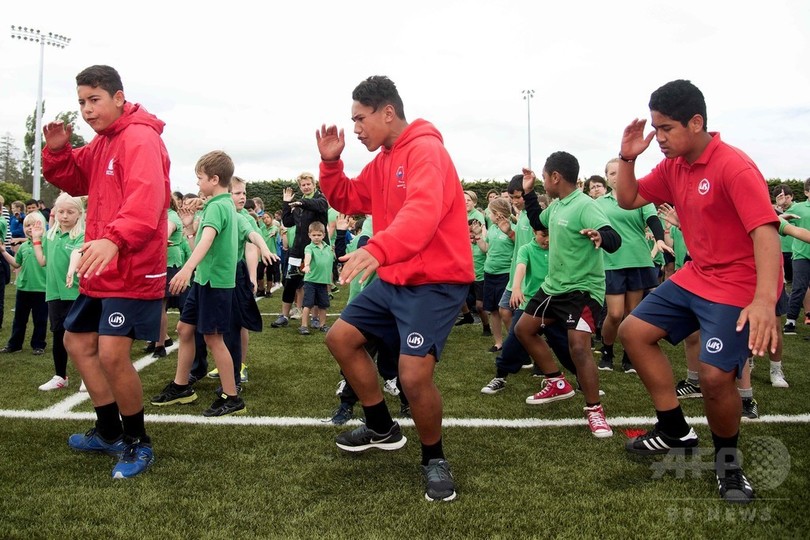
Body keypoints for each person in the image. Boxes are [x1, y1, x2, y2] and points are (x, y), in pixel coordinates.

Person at [616, 79, 782, 504]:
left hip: (737, 283)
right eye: (655, 128)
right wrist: (627, 158)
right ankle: (674, 429)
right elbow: (628, 198)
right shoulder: (674, 166)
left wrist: (764, 301)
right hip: (697, 275)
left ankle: (729, 465)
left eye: (666, 129)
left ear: (696, 122)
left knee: (712, 376)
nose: (660, 139)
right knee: (632, 332)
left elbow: (766, 233)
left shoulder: (733, 166)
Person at [315, 75, 473, 502]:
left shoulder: (426, 150)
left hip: (435, 283)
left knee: (413, 375)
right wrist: (331, 165)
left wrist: (380, 248)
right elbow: (349, 198)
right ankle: (382, 428)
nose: (356, 129)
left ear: (388, 112)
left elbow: (422, 211)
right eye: (353, 120)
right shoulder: (383, 159)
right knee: (341, 338)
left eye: (361, 119)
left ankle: (434, 458)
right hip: (396, 277)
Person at [41, 64, 170, 479]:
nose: (86, 110)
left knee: (113, 353)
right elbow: (71, 175)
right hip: (102, 267)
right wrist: (59, 151)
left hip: (131, 267)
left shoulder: (140, 138)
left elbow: (147, 201)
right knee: (77, 342)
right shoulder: (102, 143)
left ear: (118, 97)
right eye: (81, 102)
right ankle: (109, 430)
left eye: (94, 100)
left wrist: (114, 238)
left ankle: (138, 443)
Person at [514, 154, 621, 438]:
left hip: (583, 290)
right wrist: (528, 191)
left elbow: (613, 237)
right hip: (554, 287)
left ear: (556, 177)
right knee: (524, 330)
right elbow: (538, 221)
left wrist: (600, 237)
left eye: (545, 177)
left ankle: (595, 411)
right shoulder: (559, 205)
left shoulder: (584, 205)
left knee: (578, 346)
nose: (544, 182)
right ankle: (557, 382)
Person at [151, 150, 243, 417]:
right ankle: (182, 386)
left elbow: (208, 241)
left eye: (200, 178)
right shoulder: (220, 204)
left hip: (214, 283)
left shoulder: (217, 206)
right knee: (184, 329)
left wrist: (186, 270)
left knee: (214, 339)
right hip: (206, 280)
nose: (197, 184)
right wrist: (189, 227)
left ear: (214, 179)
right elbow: (200, 241)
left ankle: (232, 396)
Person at [595, 158, 670, 372]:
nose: (617, 176)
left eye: (621, 171)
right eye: (612, 173)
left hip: (637, 260)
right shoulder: (599, 203)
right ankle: (607, 350)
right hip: (611, 262)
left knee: (632, 313)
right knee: (615, 313)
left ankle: (629, 355)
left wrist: (660, 239)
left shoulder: (640, 198)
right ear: (607, 179)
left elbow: (654, 221)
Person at [30, 193, 85, 390]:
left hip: (77, 293)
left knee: (80, 337)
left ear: (79, 214)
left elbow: (76, 254)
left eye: (70, 212)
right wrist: (37, 240)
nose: (65, 216)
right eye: (61, 211)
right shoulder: (50, 235)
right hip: (54, 294)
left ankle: (87, 376)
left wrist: (71, 271)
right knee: (58, 335)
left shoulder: (81, 235)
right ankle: (60, 376)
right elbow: (43, 261)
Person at [271, 172, 329, 328]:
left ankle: (315, 318)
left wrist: (301, 203)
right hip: (297, 249)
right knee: (290, 282)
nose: (305, 187)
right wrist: (286, 204)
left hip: (318, 250)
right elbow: (288, 222)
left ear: (314, 184)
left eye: (308, 184)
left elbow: (320, 206)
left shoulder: (320, 198)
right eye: (303, 185)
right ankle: (284, 316)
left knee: (315, 283)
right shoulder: (297, 204)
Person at [0, 212, 49, 355]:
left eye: (34, 225)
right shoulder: (23, 246)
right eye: (27, 225)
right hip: (23, 288)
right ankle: (15, 344)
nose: (30, 228)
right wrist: (3, 251)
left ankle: (38, 344)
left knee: (40, 320)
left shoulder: (45, 244)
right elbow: (16, 263)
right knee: (19, 320)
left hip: (42, 288)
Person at [781, 178, 810, 335]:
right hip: (801, 255)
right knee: (799, 287)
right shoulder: (798, 208)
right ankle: (790, 321)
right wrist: (782, 205)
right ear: (806, 192)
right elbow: (779, 216)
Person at [299, 221, 334, 335]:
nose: (316, 238)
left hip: (323, 282)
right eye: (314, 235)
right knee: (308, 304)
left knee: (323, 305)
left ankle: (322, 325)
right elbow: (307, 256)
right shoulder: (309, 247)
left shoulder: (328, 248)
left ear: (324, 235)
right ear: (309, 235)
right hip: (311, 281)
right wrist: (307, 265)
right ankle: (304, 325)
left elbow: (330, 262)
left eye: (319, 235)